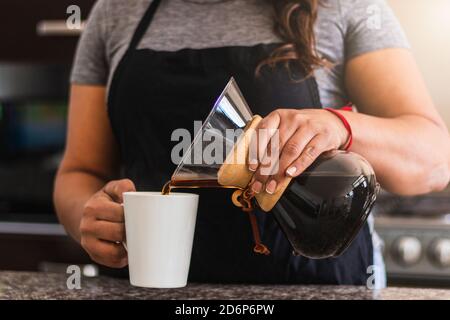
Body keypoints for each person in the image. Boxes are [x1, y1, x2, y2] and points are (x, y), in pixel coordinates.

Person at [54, 0, 450, 288]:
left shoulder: (344, 7)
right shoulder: (116, 12)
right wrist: (85, 217)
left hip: (314, 286)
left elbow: (435, 161)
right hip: (148, 287)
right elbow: (79, 171)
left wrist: (338, 125)